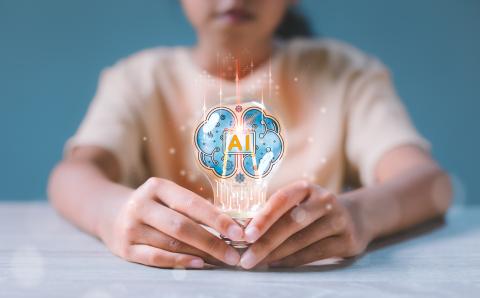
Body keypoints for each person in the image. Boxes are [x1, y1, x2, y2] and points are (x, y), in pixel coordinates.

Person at [48, 0, 452, 270]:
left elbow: (429, 183)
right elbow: (72, 175)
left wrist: (360, 215)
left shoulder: (347, 75)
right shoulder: (137, 80)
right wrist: (112, 214)